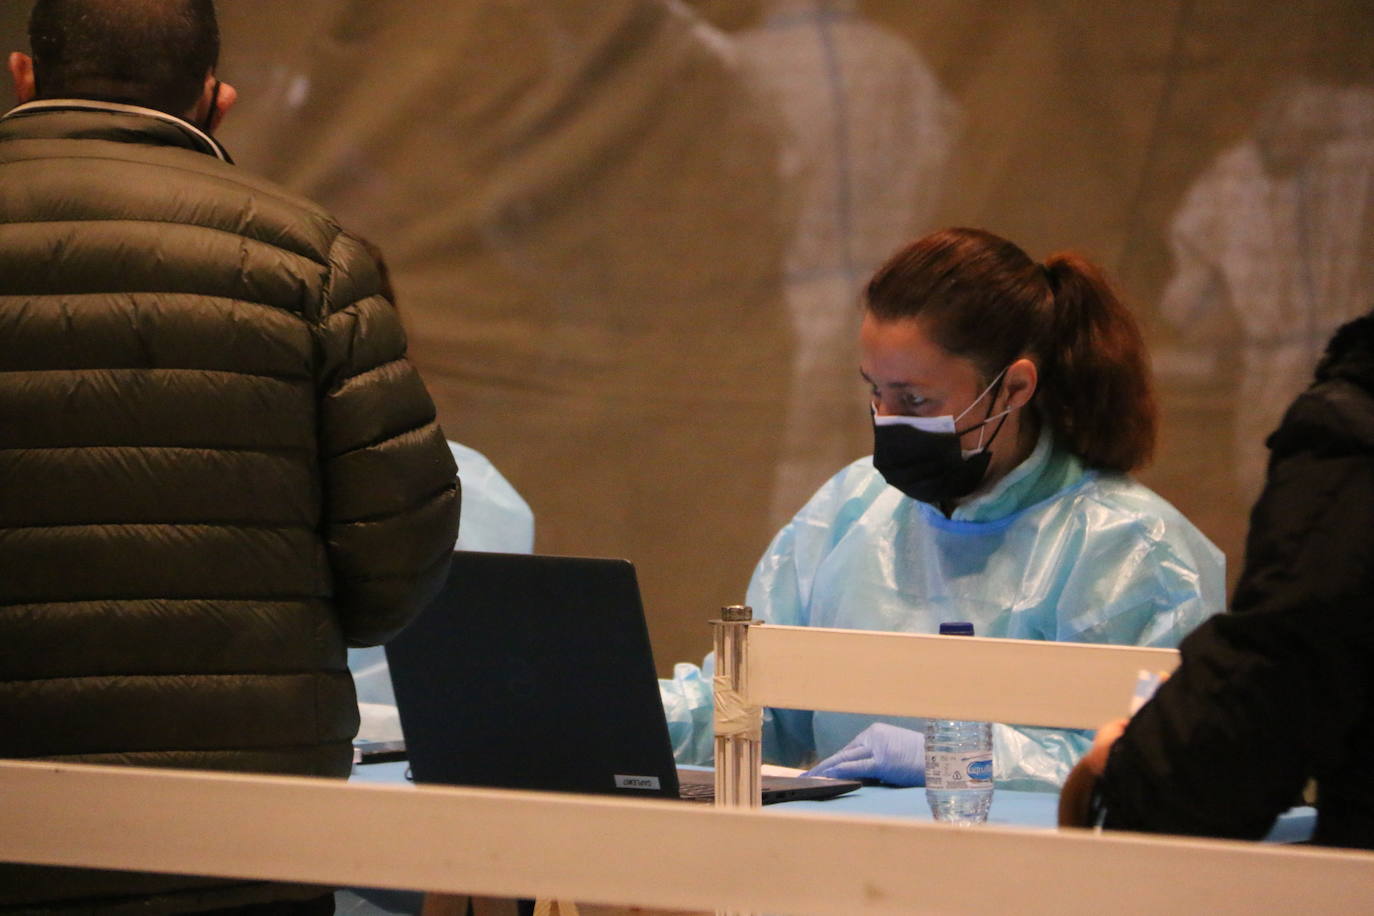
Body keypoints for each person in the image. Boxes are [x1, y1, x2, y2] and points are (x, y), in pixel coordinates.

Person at [0, 1, 461, 912]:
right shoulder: (311, 258)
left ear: (24, 76)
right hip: (242, 826)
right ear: (217, 101)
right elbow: (400, 559)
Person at [662, 227, 1224, 790]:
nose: (887, 418)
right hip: (848, 857)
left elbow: (1154, 768)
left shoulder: (1131, 549)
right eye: (875, 391)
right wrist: (622, 710)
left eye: (915, 399)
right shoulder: (854, 508)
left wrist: (956, 758)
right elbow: (749, 706)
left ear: (1014, 387)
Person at [1061, 312, 1374, 849]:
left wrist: (1127, 765)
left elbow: (1263, 690)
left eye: (916, 400)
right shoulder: (867, 500)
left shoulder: (1140, 537)